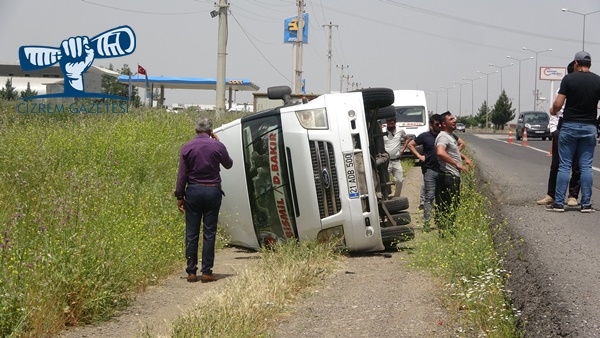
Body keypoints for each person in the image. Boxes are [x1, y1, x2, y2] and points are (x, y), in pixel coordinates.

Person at [175, 117, 233, 282]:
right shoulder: (217, 146)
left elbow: (182, 175)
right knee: (209, 232)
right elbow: (228, 164)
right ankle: (207, 271)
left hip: (193, 191)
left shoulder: (187, 147)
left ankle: (191, 272)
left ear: (196, 131)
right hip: (213, 191)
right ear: (210, 131)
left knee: (192, 233)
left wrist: (180, 196)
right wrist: (219, 143)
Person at [547, 51, 600, 213]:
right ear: (590, 64)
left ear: (576, 63)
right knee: (585, 166)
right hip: (590, 127)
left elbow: (558, 103)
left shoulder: (569, 79)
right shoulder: (598, 80)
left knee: (564, 165)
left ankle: (558, 203)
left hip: (569, 126)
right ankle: (586, 204)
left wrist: (554, 111)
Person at [537, 61, 581, 206]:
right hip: (562, 127)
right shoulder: (563, 89)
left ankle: (573, 196)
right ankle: (552, 194)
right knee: (557, 163)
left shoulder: (583, 88)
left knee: (576, 164)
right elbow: (555, 109)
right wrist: (554, 131)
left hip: (578, 126)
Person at [434, 112, 473, 233]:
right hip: (448, 177)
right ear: (444, 123)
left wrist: (464, 158)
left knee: (452, 205)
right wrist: (456, 164)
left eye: (454, 118)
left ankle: (448, 229)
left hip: (452, 176)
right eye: (451, 119)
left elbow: (452, 152)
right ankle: (446, 231)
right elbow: (440, 152)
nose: (454, 120)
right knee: (448, 206)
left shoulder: (450, 136)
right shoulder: (443, 137)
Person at [407, 114, 442, 231]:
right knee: (430, 196)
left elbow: (460, 143)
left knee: (441, 197)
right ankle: (427, 223)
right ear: (431, 125)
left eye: (441, 124)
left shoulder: (444, 136)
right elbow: (410, 144)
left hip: (443, 170)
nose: (439, 126)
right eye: (437, 124)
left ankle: (440, 221)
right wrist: (419, 156)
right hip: (430, 170)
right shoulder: (425, 136)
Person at [383, 116, 410, 197]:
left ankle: (396, 197)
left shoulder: (400, 130)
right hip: (386, 161)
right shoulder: (382, 131)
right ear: (386, 123)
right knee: (384, 181)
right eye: (389, 124)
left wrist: (403, 149)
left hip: (396, 160)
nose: (390, 125)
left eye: (392, 124)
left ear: (395, 123)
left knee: (400, 180)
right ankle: (386, 196)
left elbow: (407, 139)